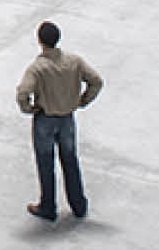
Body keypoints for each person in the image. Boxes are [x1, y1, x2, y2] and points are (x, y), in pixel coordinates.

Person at [16, 21, 103, 222]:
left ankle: (48, 206)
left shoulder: (37, 68)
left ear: (40, 41)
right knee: (70, 161)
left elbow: (23, 92)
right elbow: (96, 81)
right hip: (67, 119)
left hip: (45, 120)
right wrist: (82, 101)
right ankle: (79, 205)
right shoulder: (74, 61)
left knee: (46, 164)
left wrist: (28, 108)